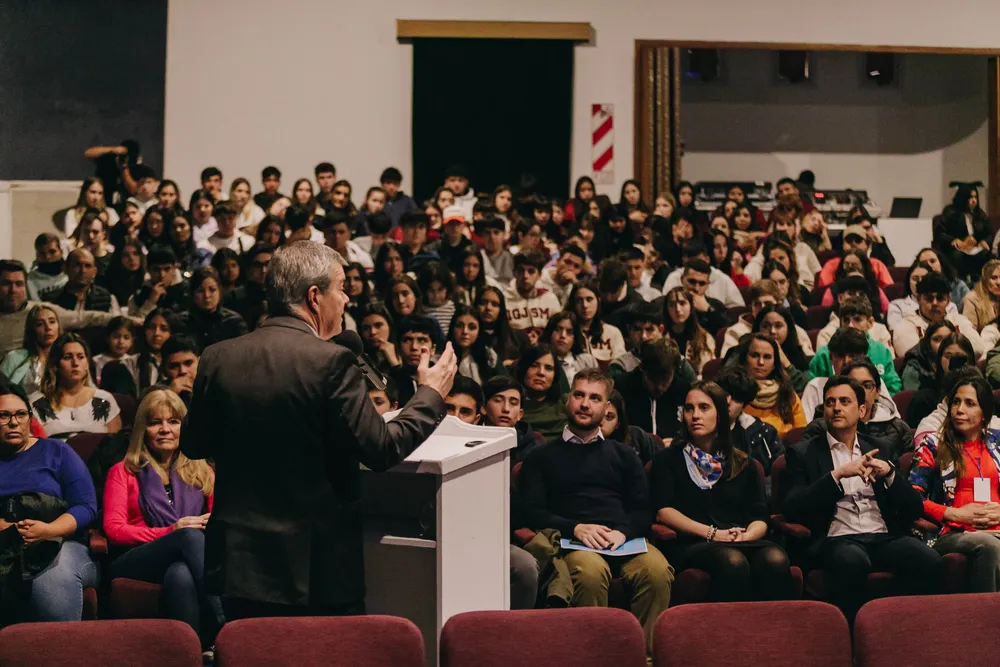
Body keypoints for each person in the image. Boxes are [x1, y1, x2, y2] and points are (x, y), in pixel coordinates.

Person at [181, 241, 458, 619]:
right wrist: (429, 396)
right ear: (314, 296)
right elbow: (381, 449)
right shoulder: (331, 361)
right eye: (341, 288)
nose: (346, 299)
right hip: (314, 570)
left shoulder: (218, 356)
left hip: (240, 565)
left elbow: (195, 444)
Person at [517, 369, 673, 655]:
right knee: (589, 574)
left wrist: (622, 532)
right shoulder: (542, 455)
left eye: (594, 398)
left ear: (605, 408)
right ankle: (593, 658)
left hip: (621, 539)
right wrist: (574, 527)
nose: (585, 404)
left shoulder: (624, 454)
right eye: (579, 395)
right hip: (573, 540)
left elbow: (642, 511)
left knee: (657, 572)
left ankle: (644, 659)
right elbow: (532, 512)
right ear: (568, 400)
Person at [782, 376, 940, 620]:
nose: (836, 408)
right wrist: (837, 475)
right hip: (837, 538)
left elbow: (912, 509)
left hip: (882, 536)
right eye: (830, 402)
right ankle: (852, 637)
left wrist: (889, 474)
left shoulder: (881, 448)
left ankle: (909, 630)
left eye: (845, 401)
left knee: (928, 559)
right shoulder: (803, 452)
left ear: (862, 410)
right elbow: (793, 506)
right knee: (853, 561)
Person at [650, 381, 792, 601]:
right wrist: (713, 534)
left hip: (738, 539)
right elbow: (663, 511)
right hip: (692, 542)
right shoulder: (668, 459)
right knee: (732, 562)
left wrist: (745, 535)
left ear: (721, 414)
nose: (695, 415)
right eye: (689, 408)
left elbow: (760, 516)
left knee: (775, 558)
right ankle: (728, 633)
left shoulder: (744, 463)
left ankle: (769, 632)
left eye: (704, 408)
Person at [102, 389, 222, 644]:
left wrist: (212, 522)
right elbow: (114, 530)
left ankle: (193, 651)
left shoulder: (204, 471)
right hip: (134, 560)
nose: (165, 429)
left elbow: (221, 517)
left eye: (173, 422)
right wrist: (170, 532)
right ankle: (226, 621)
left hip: (190, 560)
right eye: (155, 423)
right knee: (187, 536)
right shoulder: (123, 472)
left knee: (180, 574)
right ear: (142, 430)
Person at [0, 379, 100, 622]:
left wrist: (48, 530)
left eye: (20, 414)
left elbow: (86, 507)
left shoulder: (57, 451)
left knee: (51, 576)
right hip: (4, 544)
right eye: (3, 416)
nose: (13, 422)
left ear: (29, 419)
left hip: (63, 543)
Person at [907, 375, 1000, 592]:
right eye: (956, 402)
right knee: (988, 545)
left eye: (970, 404)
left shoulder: (997, 444)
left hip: (996, 528)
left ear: (985, 412)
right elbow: (912, 498)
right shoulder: (933, 445)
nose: (959, 409)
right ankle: (986, 620)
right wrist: (955, 514)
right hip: (952, 532)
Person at [804, 358, 913, 461]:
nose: (861, 391)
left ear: (878, 391)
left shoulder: (899, 429)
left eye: (867, 385)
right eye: (854, 385)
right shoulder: (819, 428)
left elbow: (903, 475)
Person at [27, 332, 121, 439]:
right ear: (55, 365)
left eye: (81, 357)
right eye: (67, 357)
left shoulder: (105, 400)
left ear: (87, 364)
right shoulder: (36, 403)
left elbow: (116, 447)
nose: (75, 363)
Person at [810, 297, 901, 393]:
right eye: (846, 320)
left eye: (857, 320)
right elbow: (814, 391)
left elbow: (893, 387)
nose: (850, 325)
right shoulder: (825, 354)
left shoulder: (881, 351)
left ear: (870, 323)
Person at [892, 271, 984, 359]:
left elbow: (978, 348)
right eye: (929, 298)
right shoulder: (905, 324)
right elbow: (909, 353)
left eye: (940, 298)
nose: (935, 303)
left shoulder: (959, 320)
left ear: (948, 300)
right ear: (919, 299)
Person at [715, 366, 782, 482]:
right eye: (724, 394)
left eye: (736, 398)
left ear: (744, 404)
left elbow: (779, 476)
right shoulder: (702, 431)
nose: (727, 402)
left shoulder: (766, 433)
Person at [618, 338, 691, 439]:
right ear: (641, 368)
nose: (659, 387)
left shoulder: (684, 390)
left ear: (674, 371)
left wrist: (677, 444)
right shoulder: (622, 387)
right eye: (653, 380)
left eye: (665, 380)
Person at [721, 280, 813, 358]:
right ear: (751, 306)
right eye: (757, 304)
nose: (762, 308)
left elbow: (808, 361)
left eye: (768, 303)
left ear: (779, 304)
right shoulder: (735, 332)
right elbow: (728, 364)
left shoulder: (795, 330)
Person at [737, 334, 806, 437]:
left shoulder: (788, 395)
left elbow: (801, 436)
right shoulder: (733, 394)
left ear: (775, 363)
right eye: (755, 355)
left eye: (767, 357)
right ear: (745, 358)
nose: (760, 362)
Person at [908, 332, 977, 428]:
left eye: (959, 357)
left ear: (970, 361)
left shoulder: (983, 394)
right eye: (948, 356)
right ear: (939, 360)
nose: (952, 361)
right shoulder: (924, 399)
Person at [177, 267, 248, 350]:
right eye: (200, 291)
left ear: (220, 291)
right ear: (192, 293)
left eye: (212, 290)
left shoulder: (234, 322)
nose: (207, 296)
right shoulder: (181, 322)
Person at [660, 242, 745, 308]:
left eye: (702, 283)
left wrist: (709, 310)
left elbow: (737, 309)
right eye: (691, 282)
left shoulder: (722, 279)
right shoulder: (673, 278)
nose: (696, 288)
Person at [0, 304, 61, 395]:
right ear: (32, 330)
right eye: (40, 324)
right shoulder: (14, 358)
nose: (48, 328)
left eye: (52, 322)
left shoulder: (67, 358)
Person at [749, 304, 810, 392]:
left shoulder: (799, 355)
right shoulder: (743, 351)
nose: (772, 331)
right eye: (765, 326)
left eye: (778, 326)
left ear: (788, 329)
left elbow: (805, 387)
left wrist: (786, 363)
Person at [938, 183, 991, 283]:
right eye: (970, 197)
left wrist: (985, 241)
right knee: (957, 256)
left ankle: (982, 285)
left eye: (975, 197)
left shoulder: (980, 213)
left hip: (975, 249)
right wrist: (953, 240)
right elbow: (940, 234)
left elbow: (989, 234)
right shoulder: (950, 212)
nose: (974, 200)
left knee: (986, 254)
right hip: (957, 250)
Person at [388, 315, 444, 408]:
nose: (414, 347)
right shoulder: (390, 383)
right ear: (398, 347)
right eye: (407, 340)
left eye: (422, 340)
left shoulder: (444, 379)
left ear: (433, 349)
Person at [887, 259, 956, 331]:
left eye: (924, 278)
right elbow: (895, 329)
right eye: (915, 278)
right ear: (908, 281)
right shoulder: (896, 305)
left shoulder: (951, 306)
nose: (919, 282)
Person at [816, 225, 894, 289]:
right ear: (843, 245)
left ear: (867, 245)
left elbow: (889, 290)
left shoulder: (877, 264)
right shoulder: (832, 264)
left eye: (858, 240)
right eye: (849, 240)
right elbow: (825, 291)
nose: (853, 244)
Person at [516, 344, 567, 440]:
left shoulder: (566, 404)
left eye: (548, 368)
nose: (541, 373)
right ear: (523, 369)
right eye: (534, 366)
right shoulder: (511, 406)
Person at [568, 279, 627, 363]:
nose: (585, 305)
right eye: (579, 300)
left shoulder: (612, 333)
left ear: (598, 301)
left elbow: (620, 367)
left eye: (589, 299)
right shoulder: (567, 332)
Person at [505, 251, 561, 337]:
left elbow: (558, 330)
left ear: (539, 275)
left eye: (531, 271)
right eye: (521, 271)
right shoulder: (504, 299)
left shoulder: (550, 298)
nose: (525, 276)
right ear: (514, 273)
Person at [49, 249, 120, 314]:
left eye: (87, 266)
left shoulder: (107, 298)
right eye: (77, 265)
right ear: (65, 268)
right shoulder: (52, 299)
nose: (83, 271)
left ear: (94, 272)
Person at [128, 245, 190, 318]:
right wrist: (150, 302)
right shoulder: (139, 294)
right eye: (156, 269)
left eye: (167, 269)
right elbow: (132, 325)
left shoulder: (187, 290)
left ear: (174, 268)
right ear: (148, 270)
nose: (162, 275)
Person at [663, 287, 714, 375]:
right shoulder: (661, 337)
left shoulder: (704, 338)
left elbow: (706, 372)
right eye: (672, 305)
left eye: (682, 303)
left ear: (691, 306)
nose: (678, 309)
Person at [543, 311, 599, 391]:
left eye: (569, 332)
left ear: (575, 337)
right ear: (550, 332)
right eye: (558, 329)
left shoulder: (588, 361)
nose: (563, 335)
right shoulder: (540, 360)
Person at [223, 243, 273, 331]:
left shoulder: (284, 296)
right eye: (258, 265)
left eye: (268, 264)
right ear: (249, 268)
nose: (263, 270)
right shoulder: (233, 297)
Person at [449, 305, 501, 386]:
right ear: (452, 328)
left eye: (472, 327)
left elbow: (504, 385)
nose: (465, 331)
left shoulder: (489, 355)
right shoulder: (441, 358)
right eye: (459, 326)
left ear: (479, 331)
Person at [901, 320, 956, 393]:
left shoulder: (961, 361)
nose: (943, 344)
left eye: (948, 339)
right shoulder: (913, 367)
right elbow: (911, 400)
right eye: (937, 339)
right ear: (928, 342)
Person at [538, 244, 586, 308]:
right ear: (557, 261)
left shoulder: (575, 288)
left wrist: (576, 284)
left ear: (580, 271)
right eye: (568, 262)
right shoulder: (539, 278)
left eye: (576, 266)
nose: (571, 268)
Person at [26, 234, 68, 303]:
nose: (47, 257)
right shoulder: (29, 280)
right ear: (37, 255)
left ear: (61, 252)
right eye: (42, 253)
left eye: (52, 252)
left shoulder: (71, 275)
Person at [92, 316, 135, 383]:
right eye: (116, 337)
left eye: (126, 338)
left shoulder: (133, 362)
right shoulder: (96, 361)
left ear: (132, 341)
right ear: (107, 338)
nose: (121, 342)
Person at [962, 259, 1000, 332]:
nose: (999, 282)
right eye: (994, 278)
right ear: (985, 280)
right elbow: (969, 333)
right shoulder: (972, 299)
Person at [480, 217, 515, 284]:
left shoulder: (512, 259)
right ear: (482, 236)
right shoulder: (477, 257)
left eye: (496, 232)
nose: (491, 237)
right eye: (487, 233)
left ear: (504, 234)